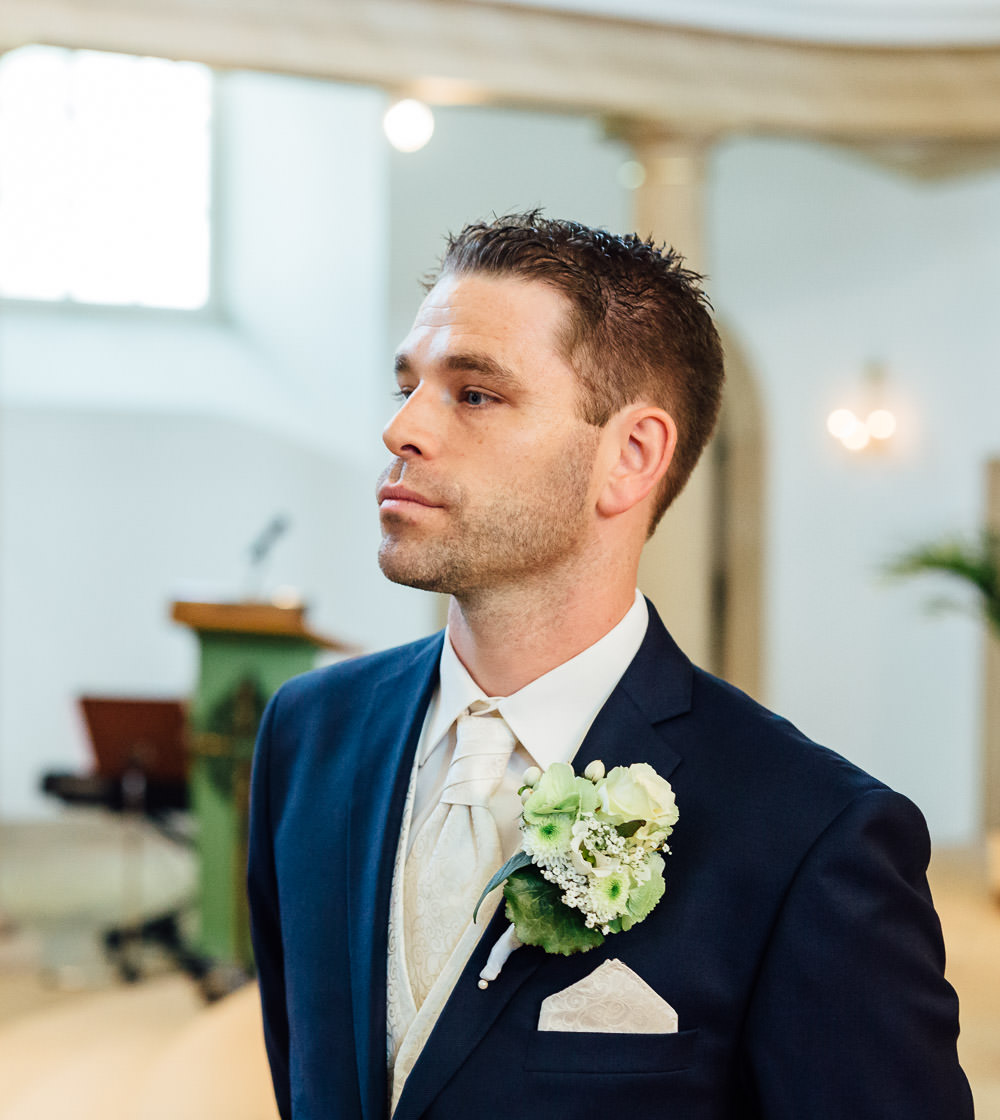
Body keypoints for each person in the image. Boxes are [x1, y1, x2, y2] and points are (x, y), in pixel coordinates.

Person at [245, 212, 972, 1120]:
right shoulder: (309, 735)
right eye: (407, 386)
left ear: (629, 458)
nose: (402, 429)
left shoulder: (811, 836)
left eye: (474, 394)